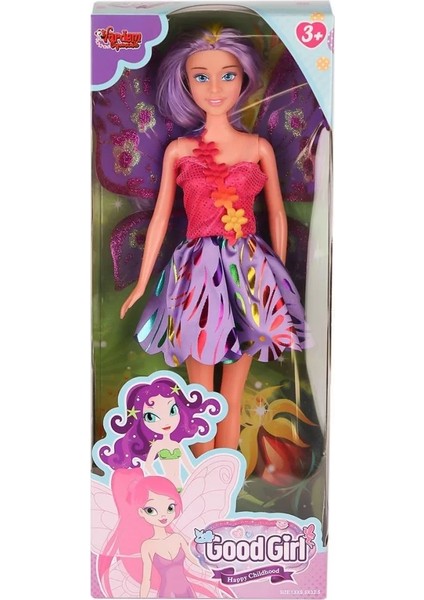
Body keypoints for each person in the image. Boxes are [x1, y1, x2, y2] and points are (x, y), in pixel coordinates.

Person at [120, 27, 308, 452]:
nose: (216, 88)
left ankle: (228, 476)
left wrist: (275, 283)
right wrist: (142, 283)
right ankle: (201, 476)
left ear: (244, 78)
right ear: (186, 83)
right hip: (196, 275)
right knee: (198, 393)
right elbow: (160, 217)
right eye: (201, 77)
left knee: (233, 393)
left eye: (228, 75)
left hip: (250, 270)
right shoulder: (180, 150)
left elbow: (277, 213)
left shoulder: (257, 147)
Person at [98, 468, 227, 598]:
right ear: (141, 512)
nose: (163, 515)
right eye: (151, 510)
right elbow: (146, 579)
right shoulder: (148, 546)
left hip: (187, 590)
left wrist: (218, 567)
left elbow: (194, 560)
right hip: (167, 593)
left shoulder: (177, 538)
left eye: (170, 508)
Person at [98, 375, 222, 489]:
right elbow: (148, 466)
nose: (166, 421)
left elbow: (188, 466)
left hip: (182, 484)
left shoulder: (176, 445)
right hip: (167, 487)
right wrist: (159, 482)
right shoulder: (157, 445)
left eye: (172, 410)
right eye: (151, 417)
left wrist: (198, 479)